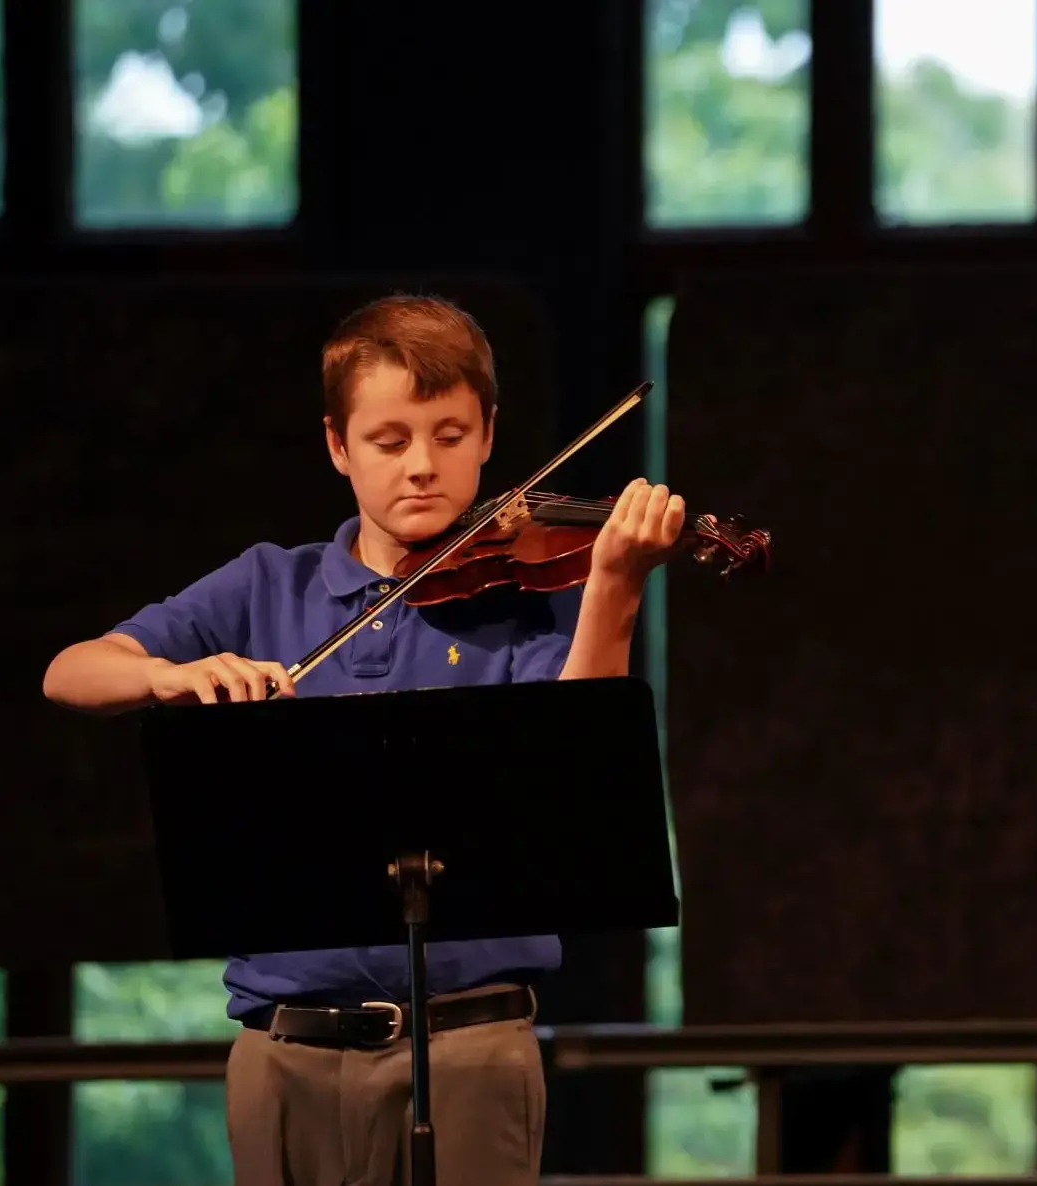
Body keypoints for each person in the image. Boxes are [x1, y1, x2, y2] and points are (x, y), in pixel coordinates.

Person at [42, 293, 685, 1186]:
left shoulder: (529, 596)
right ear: (339, 447)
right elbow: (71, 671)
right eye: (390, 441)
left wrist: (613, 587)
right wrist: (167, 675)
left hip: (470, 1048)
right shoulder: (270, 584)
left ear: (491, 434)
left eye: (450, 435)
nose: (422, 467)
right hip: (283, 1050)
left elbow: (571, 770)